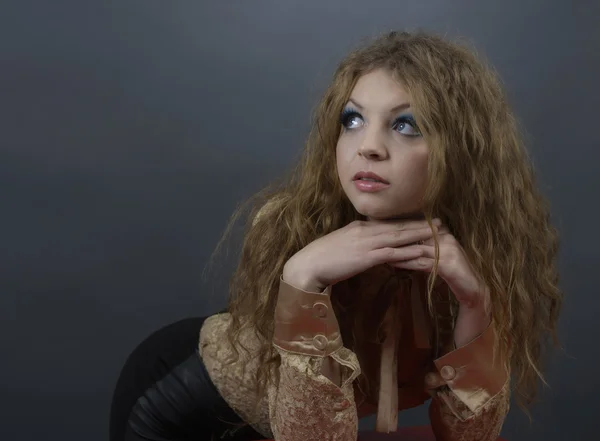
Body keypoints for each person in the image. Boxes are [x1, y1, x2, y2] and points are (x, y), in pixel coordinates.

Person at [109, 30, 562, 441]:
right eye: (352, 119)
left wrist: (475, 304)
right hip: (176, 402)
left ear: (460, 150)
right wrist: (302, 276)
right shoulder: (291, 223)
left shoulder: (477, 253)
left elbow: (471, 437)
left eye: (406, 124)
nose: (368, 145)